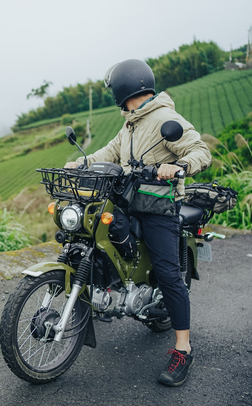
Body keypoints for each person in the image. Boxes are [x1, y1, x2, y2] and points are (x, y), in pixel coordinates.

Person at [65, 59, 211, 387]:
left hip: (159, 202)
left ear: (122, 88)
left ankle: (183, 348)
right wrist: (82, 162)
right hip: (130, 198)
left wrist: (181, 166)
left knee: (170, 273)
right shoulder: (131, 123)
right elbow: (111, 152)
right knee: (100, 225)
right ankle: (119, 286)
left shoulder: (164, 118)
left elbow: (200, 150)